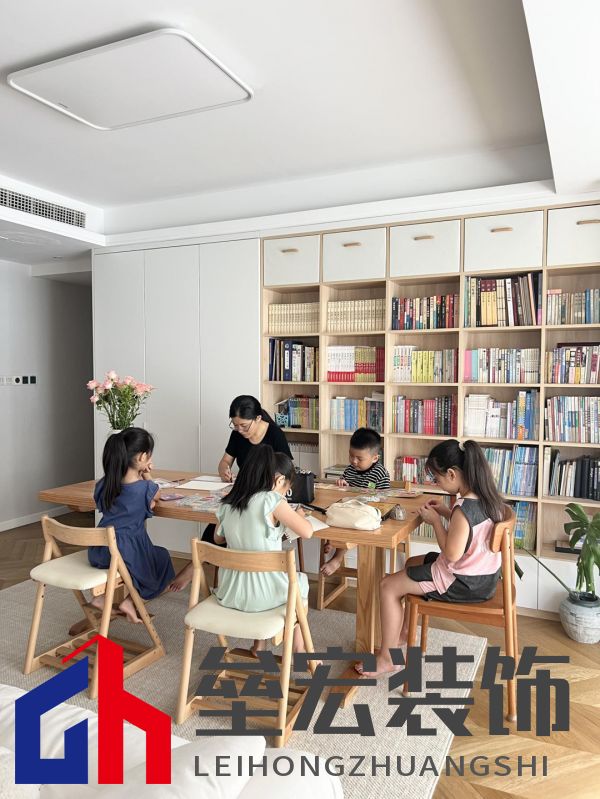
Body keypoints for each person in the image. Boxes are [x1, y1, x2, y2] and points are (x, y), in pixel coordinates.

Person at [357, 438, 505, 677]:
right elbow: (469, 534)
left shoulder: (463, 510)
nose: (437, 484)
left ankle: (387, 659)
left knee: (387, 586)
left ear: (452, 474)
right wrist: (445, 512)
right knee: (412, 563)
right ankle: (405, 632)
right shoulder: (487, 497)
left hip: (461, 583)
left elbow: (452, 553)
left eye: (437, 479)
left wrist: (435, 521)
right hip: (483, 577)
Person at [169, 395, 292, 591]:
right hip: (242, 490)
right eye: (235, 425)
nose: (239, 430)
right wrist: (224, 470)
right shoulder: (237, 435)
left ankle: (198, 565)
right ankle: (201, 564)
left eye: (244, 425)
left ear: (258, 418)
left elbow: (286, 470)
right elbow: (225, 461)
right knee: (221, 518)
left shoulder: (275, 434)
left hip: (265, 494)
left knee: (229, 520)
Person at [211, 444, 313, 654]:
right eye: (285, 489)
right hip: (264, 596)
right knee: (300, 583)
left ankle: (259, 644)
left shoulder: (228, 503)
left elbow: (217, 539)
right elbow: (307, 532)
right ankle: (299, 648)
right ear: (279, 481)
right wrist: (299, 516)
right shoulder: (271, 500)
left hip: (230, 592)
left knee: (268, 577)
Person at [88, 427, 175, 623]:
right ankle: (130, 601)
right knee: (160, 560)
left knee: (145, 561)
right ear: (142, 457)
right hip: (125, 550)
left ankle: (102, 598)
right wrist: (146, 474)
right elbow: (158, 494)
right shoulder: (144, 489)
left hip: (99, 550)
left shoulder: (104, 484)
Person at [320, 427, 390, 576]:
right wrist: (342, 485)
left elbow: (385, 498)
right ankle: (333, 539)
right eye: (351, 456)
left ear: (375, 458)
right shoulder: (350, 470)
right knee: (331, 512)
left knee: (349, 523)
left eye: (359, 458)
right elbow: (345, 489)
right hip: (350, 509)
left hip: (367, 514)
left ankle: (337, 557)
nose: (354, 461)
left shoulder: (380, 473)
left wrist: (372, 495)